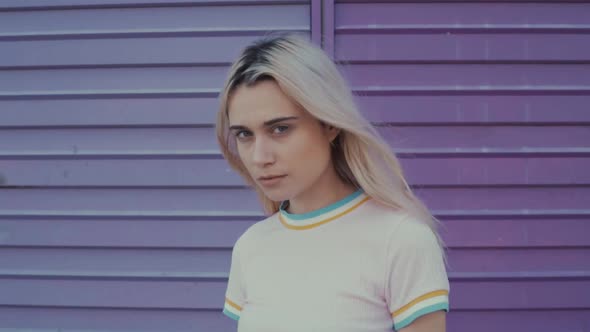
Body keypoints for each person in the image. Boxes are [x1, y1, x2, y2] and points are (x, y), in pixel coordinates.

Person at [216, 32, 450, 332]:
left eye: (280, 129)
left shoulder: (401, 239)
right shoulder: (250, 247)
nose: (259, 157)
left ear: (329, 124)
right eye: (244, 135)